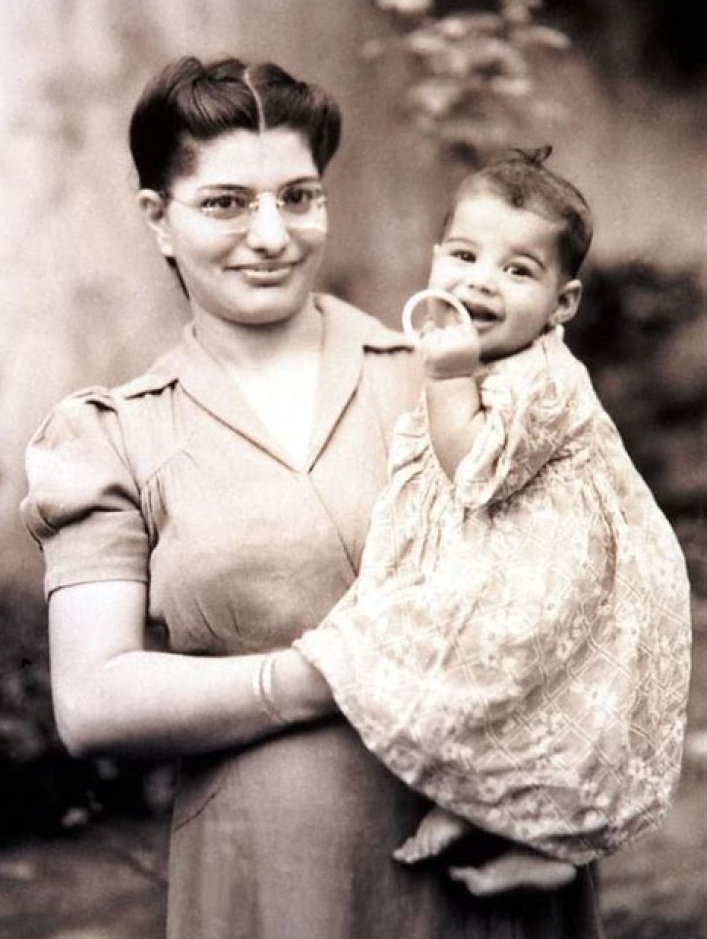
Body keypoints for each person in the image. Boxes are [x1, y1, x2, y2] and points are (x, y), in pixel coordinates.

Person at [22, 56, 642, 939]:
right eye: (226, 202)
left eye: (298, 197)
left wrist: (565, 822)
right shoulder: (112, 435)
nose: (271, 234)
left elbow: (593, 598)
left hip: (489, 863)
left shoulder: (459, 384)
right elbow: (94, 700)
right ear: (158, 218)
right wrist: (322, 676)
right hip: (276, 887)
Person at [297, 148, 692, 897]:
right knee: (495, 674)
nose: (481, 280)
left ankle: (539, 837)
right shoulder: (489, 356)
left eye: (517, 270)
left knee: (503, 667)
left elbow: (473, 467)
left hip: (560, 571)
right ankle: (485, 806)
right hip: (519, 545)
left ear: (561, 304)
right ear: (435, 259)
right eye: (464, 255)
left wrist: (446, 376)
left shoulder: (543, 378)